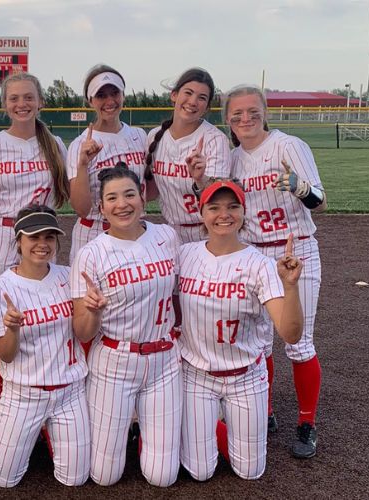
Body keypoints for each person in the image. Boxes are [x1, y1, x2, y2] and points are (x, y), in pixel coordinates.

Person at [220, 85, 326, 458]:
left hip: (296, 249)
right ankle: (265, 413)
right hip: (255, 254)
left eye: (253, 111)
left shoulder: (288, 146)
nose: (245, 118)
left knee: (299, 343)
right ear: (227, 119)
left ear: (265, 112)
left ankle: (307, 423)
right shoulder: (232, 159)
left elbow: (320, 201)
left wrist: (299, 187)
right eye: (237, 113)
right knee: (259, 342)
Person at [178, 179, 304, 480]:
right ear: (201, 212)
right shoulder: (184, 255)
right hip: (197, 376)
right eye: (214, 207)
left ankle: (214, 427)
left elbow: (291, 334)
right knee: (200, 472)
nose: (224, 214)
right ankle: (202, 428)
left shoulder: (259, 264)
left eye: (233, 206)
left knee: (250, 472)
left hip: (245, 376)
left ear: (244, 212)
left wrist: (290, 287)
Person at [71, 167, 182, 487]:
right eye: (112, 198)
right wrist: (92, 311)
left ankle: (144, 427)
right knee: (104, 476)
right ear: (102, 208)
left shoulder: (166, 236)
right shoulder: (90, 254)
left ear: (143, 198)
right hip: (114, 362)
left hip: (163, 361)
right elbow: (83, 332)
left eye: (129, 194)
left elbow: (177, 296)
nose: (122, 204)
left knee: (162, 477)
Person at [0, 205, 90, 488]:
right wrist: (12, 329)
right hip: (24, 393)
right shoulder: (0, 288)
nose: (42, 244)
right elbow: (5, 354)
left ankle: (49, 432)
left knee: (76, 479)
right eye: (34, 237)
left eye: (49, 237)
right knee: (4, 480)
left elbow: (84, 331)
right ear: (18, 240)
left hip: (69, 392)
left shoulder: (68, 276)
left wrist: (93, 310)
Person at [0, 72, 69, 275]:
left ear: (40, 102)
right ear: (5, 104)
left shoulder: (55, 144)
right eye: (14, 98)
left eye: (29, 97)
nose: (21, 104)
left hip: (40, 234)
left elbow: (68, 194)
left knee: (39, 294)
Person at [67, 64, 148, 262]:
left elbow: (149, 191)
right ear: (90, 101)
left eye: (115, 93)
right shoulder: (80, 144)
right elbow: (81, 209)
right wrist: (83, 165)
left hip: (133, 231)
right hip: (94, 232)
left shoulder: (139, 136)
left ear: (123, 95)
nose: (110, 101)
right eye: (101, 95)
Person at [144, 68, 231, 243]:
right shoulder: (155, 136)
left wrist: (201, 179)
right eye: (188, 93)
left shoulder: (215, 139)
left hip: (208, 232)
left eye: (202, 98)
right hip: (171, 232)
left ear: (207, 107)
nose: (193, 102)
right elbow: (151, 193)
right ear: (174, 95)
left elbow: (220, 200)